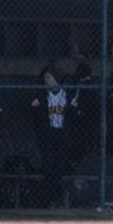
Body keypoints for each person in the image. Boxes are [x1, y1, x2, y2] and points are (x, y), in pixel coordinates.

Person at [31, 63, 77, 207]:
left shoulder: (66, 95)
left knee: (59, 166)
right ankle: (54, 198)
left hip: (62, 134)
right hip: (48, 134)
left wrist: (73, 108)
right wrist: (35, 108)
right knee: (48, 167)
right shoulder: (42, 96)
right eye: (45, 78)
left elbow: (74, 117)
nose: (47, 80)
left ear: (57, 79)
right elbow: (37, 119)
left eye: (49, 78)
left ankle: (56, 197)